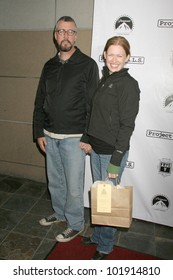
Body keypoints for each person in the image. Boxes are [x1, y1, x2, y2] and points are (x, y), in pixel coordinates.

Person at [33, 16, 99, 242]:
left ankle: (76, 223)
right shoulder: (49, 65)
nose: (66, 35)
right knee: (56, 182)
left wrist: (88, 136)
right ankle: (60, 214)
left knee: (73, 186)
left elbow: (93, 104)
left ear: (76, 36)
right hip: (50, 136)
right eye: (61, 31)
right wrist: (38, 132)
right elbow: (40, 99)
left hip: (74, 138)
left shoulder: (88, 65)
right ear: (55, 35)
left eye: (70, 31)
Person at [81, 36, 140, 259]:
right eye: (110, 54)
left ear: (127, 58)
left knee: (108, 201)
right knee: (100, 198)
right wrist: (87, 138)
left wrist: (116, 160)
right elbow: (94, 114)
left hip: (111, 154)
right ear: (104, 55)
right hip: (96, 149)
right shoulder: (105, 79)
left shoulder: (129, 85)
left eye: (119, 55)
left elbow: (127, 126)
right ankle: (98, 237)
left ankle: (105, 245)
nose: (114, 59)